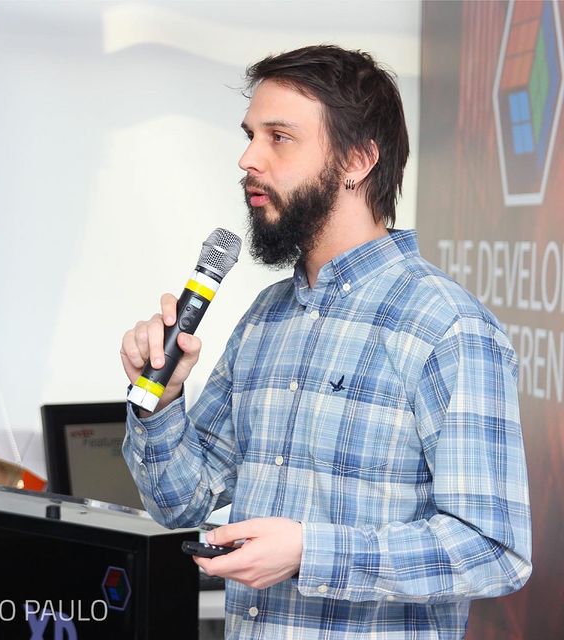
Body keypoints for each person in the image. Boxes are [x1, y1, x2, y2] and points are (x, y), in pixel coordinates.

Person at [121, 45, 531, 639]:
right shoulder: (267, 317)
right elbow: (180, 505)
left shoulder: (448, 327)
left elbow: (494, 549)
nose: (247, 158)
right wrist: (160, 399)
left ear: (358, 160)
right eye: (250, 134)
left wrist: (312, 552)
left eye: (279, 137)